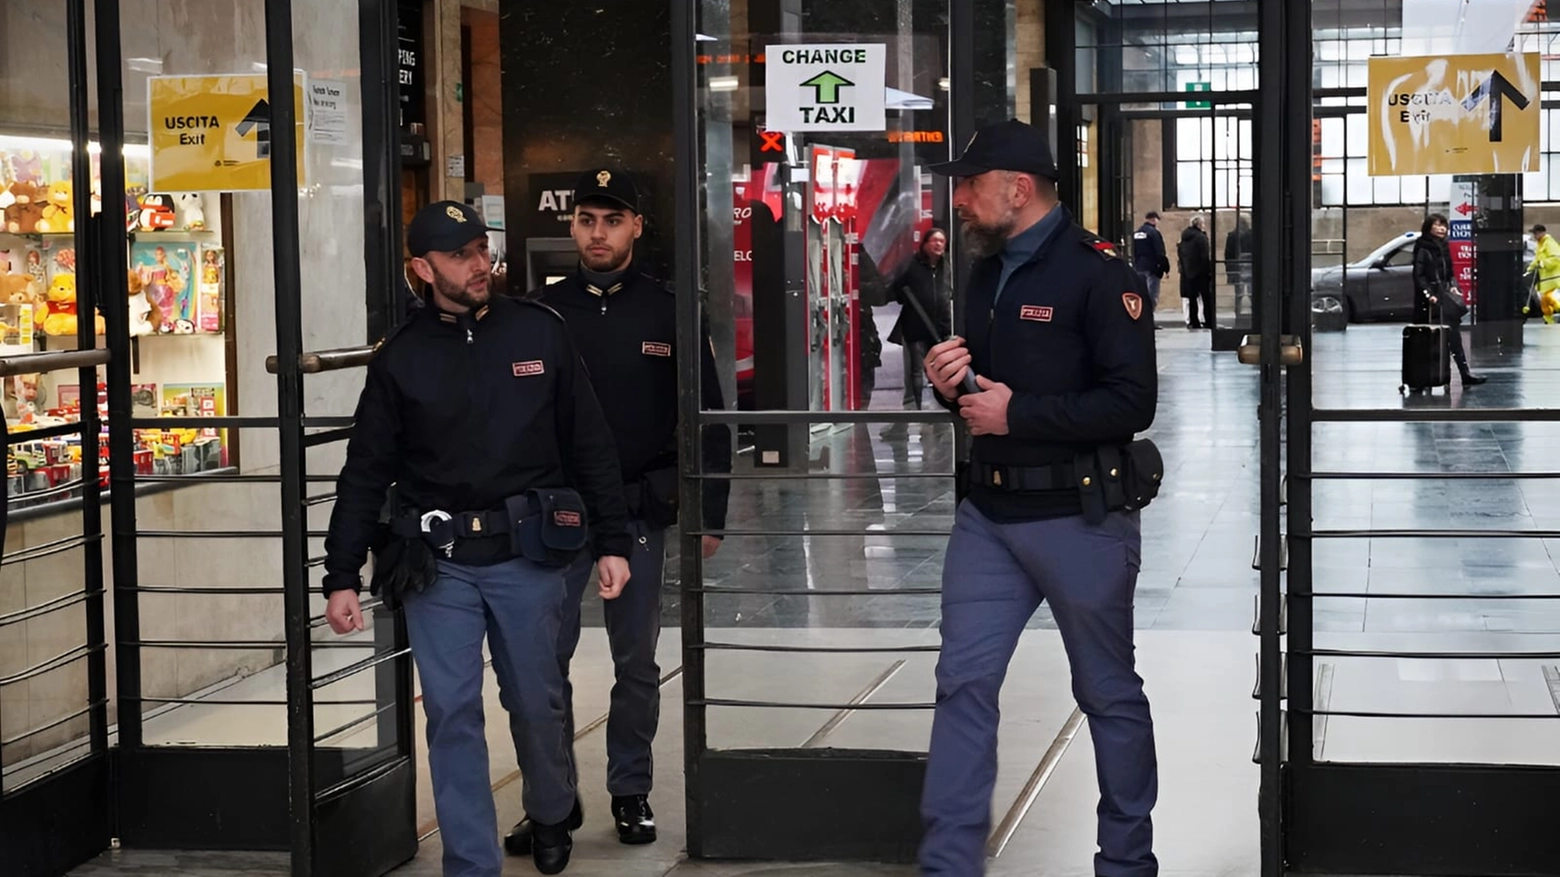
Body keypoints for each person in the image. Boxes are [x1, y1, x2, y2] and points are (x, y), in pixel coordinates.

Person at [321, 200, 634, 877]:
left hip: (529, 556)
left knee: (534, 699)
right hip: (439, 566)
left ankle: (553, 806)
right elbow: (365, 473)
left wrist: (613, 541)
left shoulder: (538, 331)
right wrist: (340, 573)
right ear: (421, 268)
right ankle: (471, 864)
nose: (478, 264)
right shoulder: (399, 360)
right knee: (452, 712)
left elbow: (591, 444)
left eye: (481, 249)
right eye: (460, 255)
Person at [919, 119, 1161, 877]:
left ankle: (1126, 862)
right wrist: (946, 385)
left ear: (1017, 190)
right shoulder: (985, 272)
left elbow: (1132, 402)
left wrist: (1017, 414)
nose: (958, 199)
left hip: (1079, 521)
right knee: (962, 684)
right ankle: (949, 864)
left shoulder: (1100, 274)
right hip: (988, 518)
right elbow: (979, 396)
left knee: (1107, 693)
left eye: (970, 184)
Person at [503, 168, 733, 853]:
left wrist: (711, 510)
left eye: (612, 219)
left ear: (636, 227)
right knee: (544, 662)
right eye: (585, 220)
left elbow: (709, 416)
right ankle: (553, 799)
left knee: (636, 661)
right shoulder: (541, 314)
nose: (597, 233)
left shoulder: (667, 311)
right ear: (571, 227)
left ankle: (630, 790)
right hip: (557, 516)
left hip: (636, 514)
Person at [1412, 213, 1484, 386]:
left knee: (1453, 336)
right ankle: (1422, 377)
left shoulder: (1444, 247)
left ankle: (1464, 373)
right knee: (1428, 340)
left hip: (1444, 297)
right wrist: (1429, 294)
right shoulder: (1422, 247)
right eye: (1437, 225)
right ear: (1429, 227)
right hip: (1429, 302)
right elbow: (1418, 275)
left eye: (1444, 225)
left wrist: (1453, 286)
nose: (1442, 228)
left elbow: (1450, 272)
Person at [887, 228, 952, 410]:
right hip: (915, 325)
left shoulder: (947, 266)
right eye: (934, 241)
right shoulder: (911, 265)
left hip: (941, 326)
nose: (939, 244)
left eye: (942, 241)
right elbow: (896, 289)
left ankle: (940, 403)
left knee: (939, 368)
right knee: (916, 370)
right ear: (925, 244)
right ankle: (917, 407)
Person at [1176, 216, 1212, 329]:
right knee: (1206, 298)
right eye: (1203, 223)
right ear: (1199, 224)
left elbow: (1180, 254)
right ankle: (1209, 321)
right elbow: (1204, 255)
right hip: (1202, 273)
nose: (1204, 225)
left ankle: (1193, 321)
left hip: (1188, 273)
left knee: (1192, 299)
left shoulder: (1184, 238)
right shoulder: (1201, 237)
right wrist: (1208, 271)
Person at [1130, 210, 1168, 312]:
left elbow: (1134, 251)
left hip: (1139, 267)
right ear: (1154, 220)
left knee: (1141, 294)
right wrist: (1165, 267)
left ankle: (1142, 318)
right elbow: (1160, 252)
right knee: (1152, 295)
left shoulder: (1136, 233)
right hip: (1152, 268)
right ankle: (1149, 319)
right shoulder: (1154, 233)